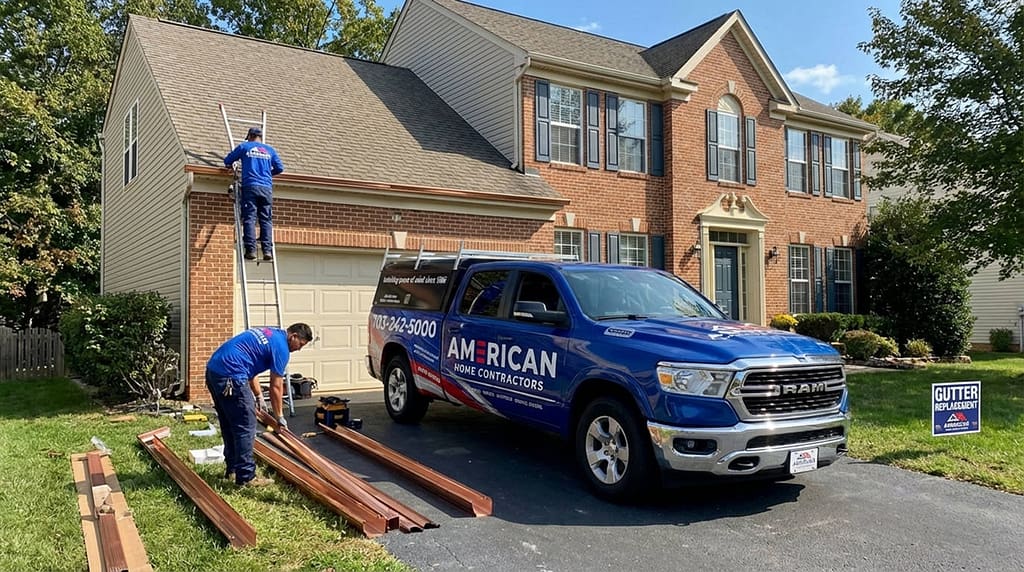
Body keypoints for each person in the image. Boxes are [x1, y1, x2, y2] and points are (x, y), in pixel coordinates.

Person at [205, 323, 312, 486]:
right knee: (246, 426)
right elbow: (276, 386)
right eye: (301, 345)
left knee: (229, 423)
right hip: (232, 376)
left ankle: (233, 470)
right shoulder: (282, 348)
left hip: (215, 371)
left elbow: (251, 365)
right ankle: (246, 477)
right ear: (294, 337)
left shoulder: (271, 334)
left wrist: (258, 396)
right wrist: (279, 417)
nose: (299, 349)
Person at [224, 127, 284, 261]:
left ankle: (251, 250)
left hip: (250, 186)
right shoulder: (270, 150)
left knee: (250, 217)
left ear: (250, 136)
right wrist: (267, 174)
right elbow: (280, 168)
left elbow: (227, 160)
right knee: (266, 219)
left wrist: (231, 165)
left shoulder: (244, 147)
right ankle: (267, 250)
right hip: (266, 188)